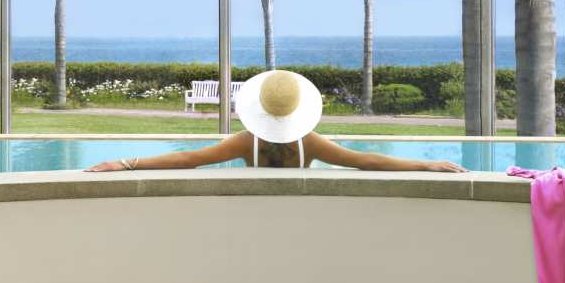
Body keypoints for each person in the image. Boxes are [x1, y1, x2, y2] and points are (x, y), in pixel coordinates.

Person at [86, 70, 467, 173]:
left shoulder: (246, 141)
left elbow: (190, 159)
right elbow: (365, 160)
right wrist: (425, 162)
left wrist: (125, 162)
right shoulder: (311, 142)